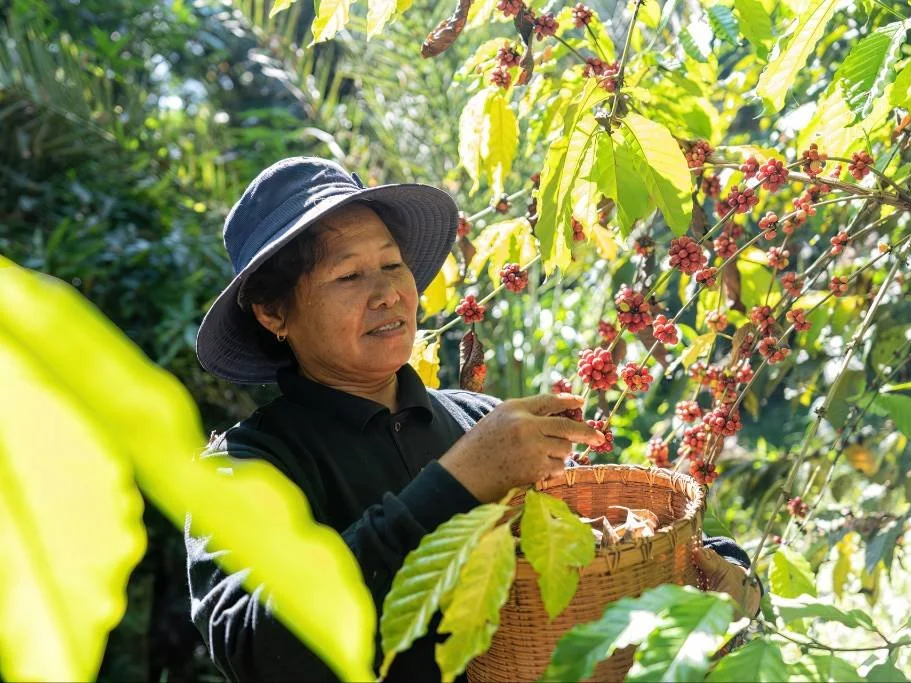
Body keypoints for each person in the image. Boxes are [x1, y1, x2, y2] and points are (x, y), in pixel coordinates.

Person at [185, 157, 761, 683]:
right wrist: (455, 484)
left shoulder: (481, 420)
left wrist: (723, 575)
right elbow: (256, 649)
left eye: (392, 264)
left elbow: (605, 554)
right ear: (272, 311)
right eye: (349, 276)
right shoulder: (245, 469)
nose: (388, 292)